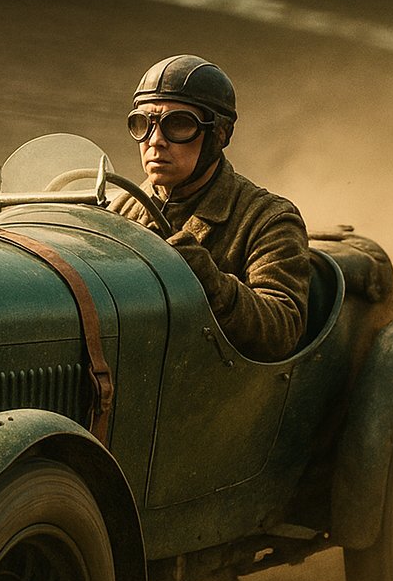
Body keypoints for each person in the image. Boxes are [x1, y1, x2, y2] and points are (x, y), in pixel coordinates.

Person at [116, 54, 310, 362]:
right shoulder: (118, 209)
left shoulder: (268, 219)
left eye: (178, 124)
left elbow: (282, 329)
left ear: (219, 135)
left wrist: (210, 282)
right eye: (143, 123)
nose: (155, 141)